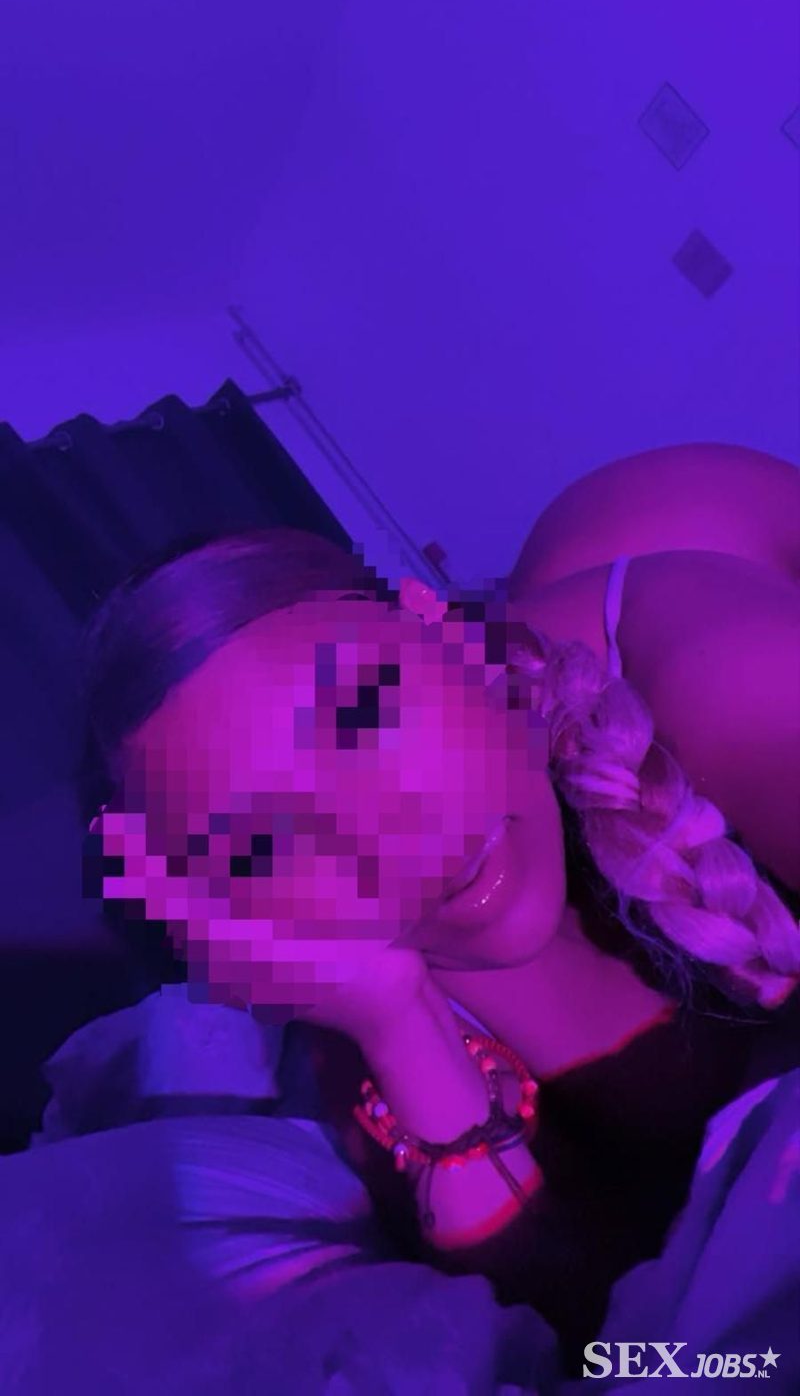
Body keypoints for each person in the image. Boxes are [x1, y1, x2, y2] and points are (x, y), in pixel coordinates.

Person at [79, 525, 800, 1376]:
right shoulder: (360, 1009)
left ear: (439, 629)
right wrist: (396, 1021)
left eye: (363, 714)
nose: (394, 842)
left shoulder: (729, 687)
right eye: (263, 844)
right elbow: (594, 1340)